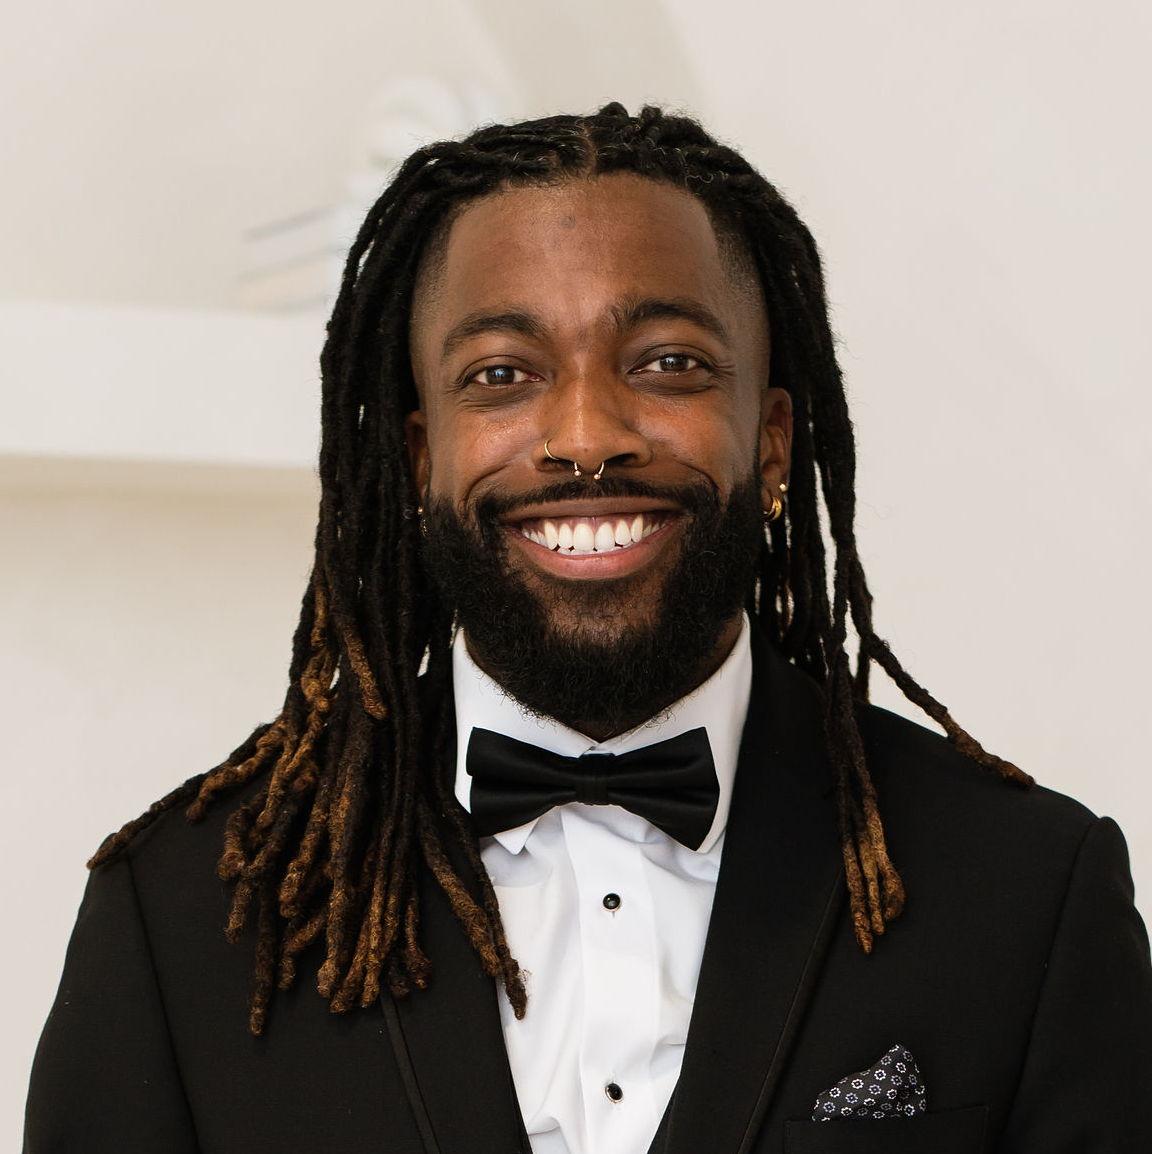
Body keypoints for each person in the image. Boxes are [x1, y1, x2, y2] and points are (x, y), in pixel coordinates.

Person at [23, 103, 1152, 1154]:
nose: (585, 434)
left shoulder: (1029, 892)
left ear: (770, 444)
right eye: (501, 373)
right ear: (419, 458)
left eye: (668, 362)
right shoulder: (177, 919)